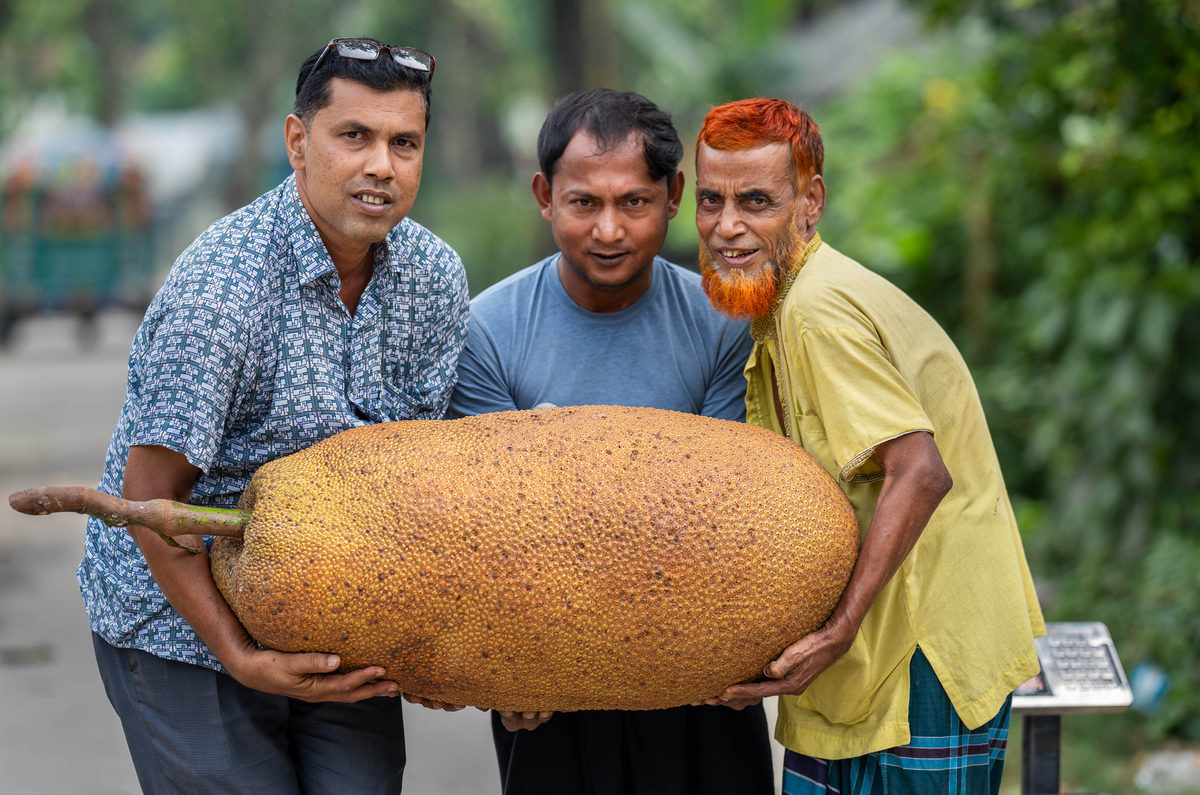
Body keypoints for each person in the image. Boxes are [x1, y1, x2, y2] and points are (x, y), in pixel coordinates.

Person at [76, 38, 469, 793]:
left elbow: (419, 484)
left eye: (404, 142)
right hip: (178, 622)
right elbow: (149, 501)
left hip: (332, 608)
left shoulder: (434, 278)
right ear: (298, 141)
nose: (381, 165)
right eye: (353, 136)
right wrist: (242, 656)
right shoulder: (221, 291)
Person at [690, 96, 1046, 794]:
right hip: (866, 668)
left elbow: (920, 471)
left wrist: (840, 627)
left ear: (810, 202)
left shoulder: (819, 311)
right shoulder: (782, 305)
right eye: (710, 200)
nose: (726, 226)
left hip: (923, 660)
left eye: (756, 200)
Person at [448, 88, 774, 795]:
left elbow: (721, 511)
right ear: (544, 196)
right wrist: (508, 663)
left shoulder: (723, 325)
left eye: (633, 202)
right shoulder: (485, 331)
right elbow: (492, 529)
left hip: (699, 670)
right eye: (583, 203)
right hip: (549, 673)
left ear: (674, 195)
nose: (609, 230)